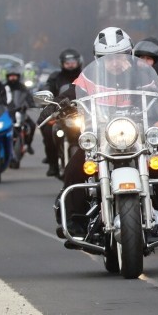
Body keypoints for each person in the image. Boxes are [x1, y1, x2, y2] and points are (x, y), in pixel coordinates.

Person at [57, 27, 136, 236]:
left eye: (120, 56)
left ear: (130, 54)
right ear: (98, 59)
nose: (115, 62)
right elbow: (72, 91)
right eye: (108, 58)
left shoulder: (141, 76)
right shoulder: (89, 78)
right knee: (76, 166)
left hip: (137, 138)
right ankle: (75, 220)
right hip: (101, 138)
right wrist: (60, 101)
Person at [40, 48, 83, 177]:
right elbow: (48, 89)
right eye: (67, 62)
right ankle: (52, 163)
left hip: (82, 113)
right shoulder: (55, 77)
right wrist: (48, 105)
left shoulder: (85, 75)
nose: (70, 64)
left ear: (78, 62)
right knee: (49, 130)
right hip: (62, 114)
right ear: (62, 63)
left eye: (73, 61)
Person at [5, 65, 36, 154]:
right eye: (11, 76)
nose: (13, 78)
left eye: (15, 76)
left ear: (18, 77)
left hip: (21, 112)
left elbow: (29, 98)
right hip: (7, 113)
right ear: (7, 77)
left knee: (32, 125)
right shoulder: (3, 88)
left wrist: (30, 104)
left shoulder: (23, 88)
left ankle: (28, 144)